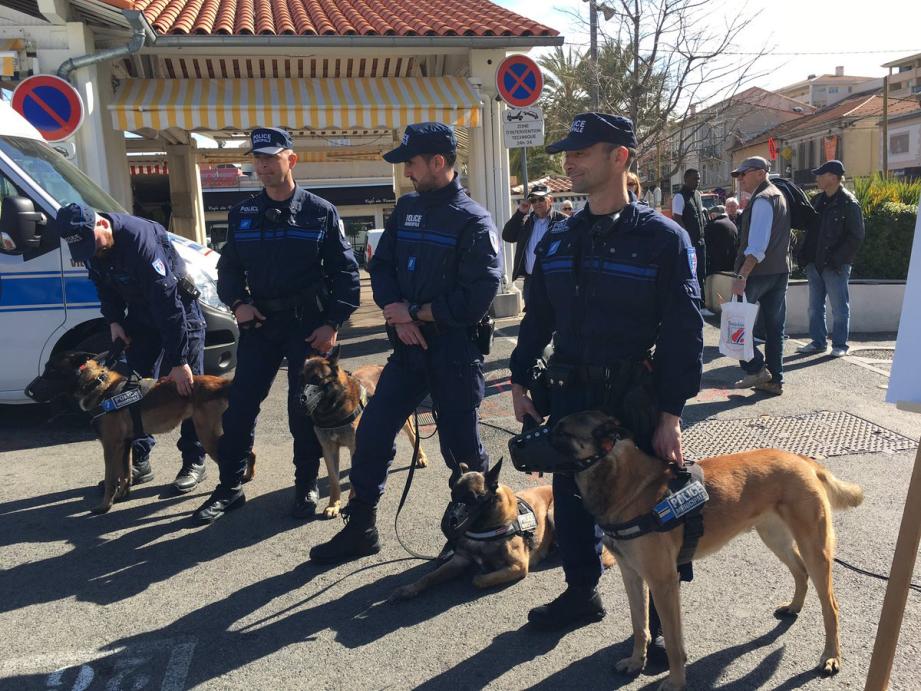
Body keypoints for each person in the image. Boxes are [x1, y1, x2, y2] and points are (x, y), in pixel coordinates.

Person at [509, 112, 703, 634]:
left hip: (632, 397)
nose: (568, 161)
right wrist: (520, 380)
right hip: (571, 392)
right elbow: (539, 316)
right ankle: (581, 593)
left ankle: (663, 628)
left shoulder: (664, 238)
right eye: (567, 152)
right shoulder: (558, 237)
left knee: (655, 506)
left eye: (581, 151)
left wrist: (671, 413)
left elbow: (685, 330)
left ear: (620, 157)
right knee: (572, 500)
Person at [309, 122, 502, 564]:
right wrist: (395, 307)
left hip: (454, 352)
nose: (406, 173)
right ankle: (361, 529)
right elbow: (382, 266)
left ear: (438, 162)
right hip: (408, 350)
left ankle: (486, 531)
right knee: (374, 433)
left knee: (463, 452)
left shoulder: (473, 220)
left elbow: (477, 296)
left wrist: (416, 313)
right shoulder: (407, 208)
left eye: (411, 163)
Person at [193, 127, 360, 524]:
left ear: (291, 160)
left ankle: (305, 485)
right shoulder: (244, 213)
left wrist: (333, 322)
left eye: (271, 157)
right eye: (258, 158)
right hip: (260, 324)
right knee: (239, 407)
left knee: (302, 410)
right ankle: (230, 487)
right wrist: (238, 304)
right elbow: (228, 267)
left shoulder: (320, 211)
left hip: (307, 325)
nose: (263, 165)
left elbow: (345, 272)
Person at [57, 202, 208, 493]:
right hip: (141, 317)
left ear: (101, 223)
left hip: (179, 314)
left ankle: (194, 460)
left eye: (93, 243)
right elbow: (103, 286)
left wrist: (178, 361)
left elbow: (169, 305)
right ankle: (140, 461)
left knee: (188, 389)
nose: (93, 251)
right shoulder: (91, 247)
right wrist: (114, 321)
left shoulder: (139, 240)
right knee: (132, 389)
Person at [729, 156, 791, 396]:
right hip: (778, 271)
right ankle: (774, 379)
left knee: (736, 324)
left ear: (758, 173)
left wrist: (742, 275)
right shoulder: (778, 195)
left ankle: (755, 368)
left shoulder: (764, 199)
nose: (740, 179)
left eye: (743, 174)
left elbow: (757, 245)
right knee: (774, 327)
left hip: (757, 272)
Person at [796, 160, 865, 357]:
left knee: (839, 308)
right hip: (815, 264)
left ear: (833, 178)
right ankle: (818, 342)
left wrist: (837, 260)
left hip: (835, 266)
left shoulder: (849, 203)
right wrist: (804, 257)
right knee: (814, 308)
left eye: (821, 174)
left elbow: (856, 236)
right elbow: (810, 231)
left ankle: (840, 345)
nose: (817, 178)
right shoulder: (818, 200)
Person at [501, 183, 568, 306]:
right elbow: (507, 236)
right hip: (531, 280)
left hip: (554, 280)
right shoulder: (526, 221)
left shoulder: (562, 220)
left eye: (541, 199)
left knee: (556, 318)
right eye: (533, 200)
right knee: (533, 320)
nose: (537, 203)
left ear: (550, 200)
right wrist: (520, 212)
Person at [671, 169, 708, 291]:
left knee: (701, 273)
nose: (697, 181)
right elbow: (677, 219)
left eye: (698, 178)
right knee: (691, 274)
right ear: (686, 179)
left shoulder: (697, 195)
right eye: (694, 178)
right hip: (690, 244)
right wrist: (687, 239)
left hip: (700, 242)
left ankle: (702, 303)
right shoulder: (679, 196)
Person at [704, 205, 739, 275]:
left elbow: (706, 245)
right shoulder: (732, 225)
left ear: (712, 215)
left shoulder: (712, 225)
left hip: (717, 268)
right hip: (731, 265)